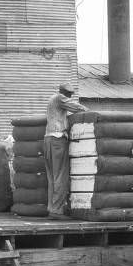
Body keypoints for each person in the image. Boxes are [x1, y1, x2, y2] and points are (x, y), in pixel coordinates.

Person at [44, 83, 87, 217]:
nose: (69, 98)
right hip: (58, 139)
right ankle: (56, 210)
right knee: (60, 176)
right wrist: (88, 110)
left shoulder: (52, 100)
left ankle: (52, 208)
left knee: (52, 177)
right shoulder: (60, 98)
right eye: (69, 95)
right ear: (65, 93)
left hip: (48, 139)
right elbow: (77, 107)